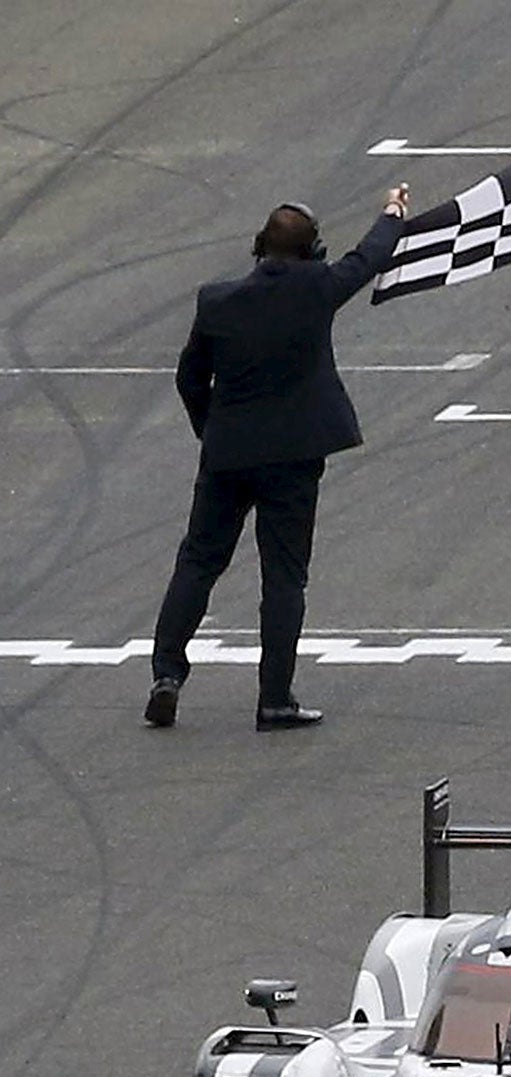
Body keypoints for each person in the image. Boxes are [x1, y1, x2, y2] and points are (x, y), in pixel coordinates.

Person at [144, 184, 409, 731]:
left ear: (257, 246)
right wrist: (392, 212)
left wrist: (210, 430)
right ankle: (274, 698)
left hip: (227, 454)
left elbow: (189, 376)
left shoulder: (215, 301)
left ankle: (167, 674)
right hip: (293, 458)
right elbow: (366, 260)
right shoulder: (317, 287)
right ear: (312, 252)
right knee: (284, 578)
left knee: (198, 561)